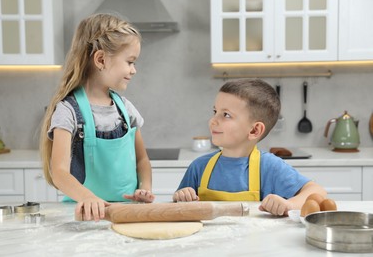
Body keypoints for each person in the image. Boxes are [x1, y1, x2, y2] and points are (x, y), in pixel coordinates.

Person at [40, 13, 154, 222]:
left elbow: (142, 160)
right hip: (83, 216)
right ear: (101, 59)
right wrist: (89, 198)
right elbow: (59, 172)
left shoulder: (126, 109)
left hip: (126, 214)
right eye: (130, 62)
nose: (134, 70)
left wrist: (144, 189)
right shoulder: (68, 111)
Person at [173, 79, 327, 216]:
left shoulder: (269, 167)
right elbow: (178, 209)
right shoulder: (199, 167)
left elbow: (317, 191)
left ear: (254, 130)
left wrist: (289, 204)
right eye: (215, 111)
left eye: (226, 115)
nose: (213, 120)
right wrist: (181, 197)